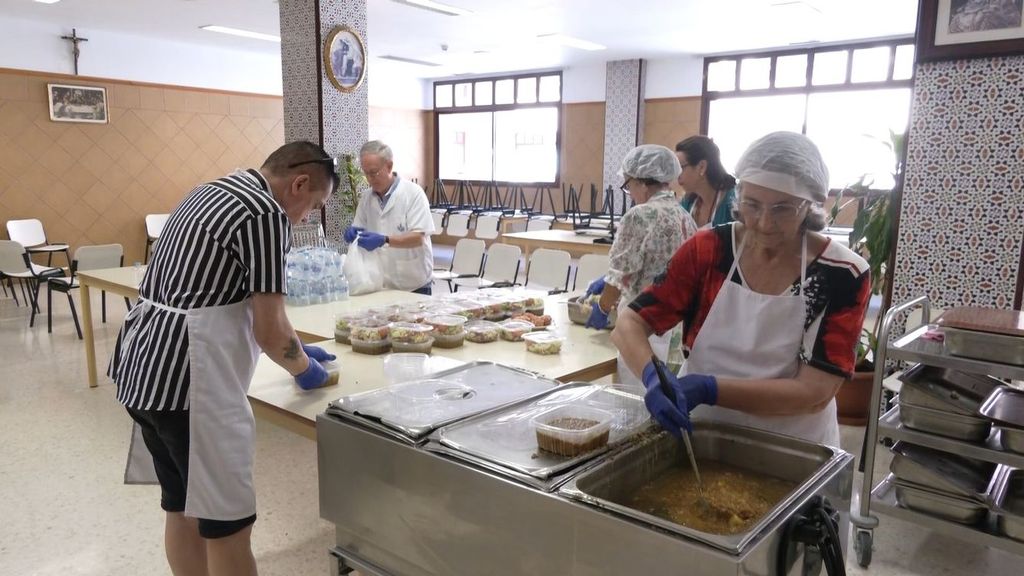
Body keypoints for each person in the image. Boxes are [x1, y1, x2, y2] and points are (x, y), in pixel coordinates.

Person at [108, 141, 340, 576]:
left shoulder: (213, 189)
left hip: (143, 371)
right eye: (312, 205)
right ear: (300, 182)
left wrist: (294, 345)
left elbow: (214, 295)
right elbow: (269, 330)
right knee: (227, 525)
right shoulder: (266, 213)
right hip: (191, 386)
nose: (306, 217)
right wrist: (304, 369)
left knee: (181, 508)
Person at [612, 131, 871, 447]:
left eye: (783, 209)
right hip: (703, 433)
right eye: (752, 204)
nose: (764, 223)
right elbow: (630, 323)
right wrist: (652, 376)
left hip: (792, 444)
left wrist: (710, 389)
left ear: (811, 205)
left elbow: (814, 391)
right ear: (738, 195)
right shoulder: (708, 251)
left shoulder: (841, 272)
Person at [585, 144, 697, 392]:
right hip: (675, 325)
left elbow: (620, 274)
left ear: (644, 183)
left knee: (637, 400)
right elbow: (655, 265)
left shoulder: (639, 215)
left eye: (629, 185)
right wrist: (610, 278)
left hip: (641, 326)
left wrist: (602, 308)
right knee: (666, 395)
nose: (630, 192)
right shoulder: (684, 216)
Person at [342, 140, 435, 294]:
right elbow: (359, 226)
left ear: (389, 166)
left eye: (374, 172)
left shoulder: (413, 194)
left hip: (413, 284)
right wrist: (353, 232)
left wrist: (384, 240)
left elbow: (419, 237)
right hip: (380, 283)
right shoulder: (366, 198)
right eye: (366, 173)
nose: (370, 178)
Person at [675, 135, 737, 228]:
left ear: (702, 167)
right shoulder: (687, 203)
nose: (677, 175)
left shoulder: (733, 202)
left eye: (680, 167)